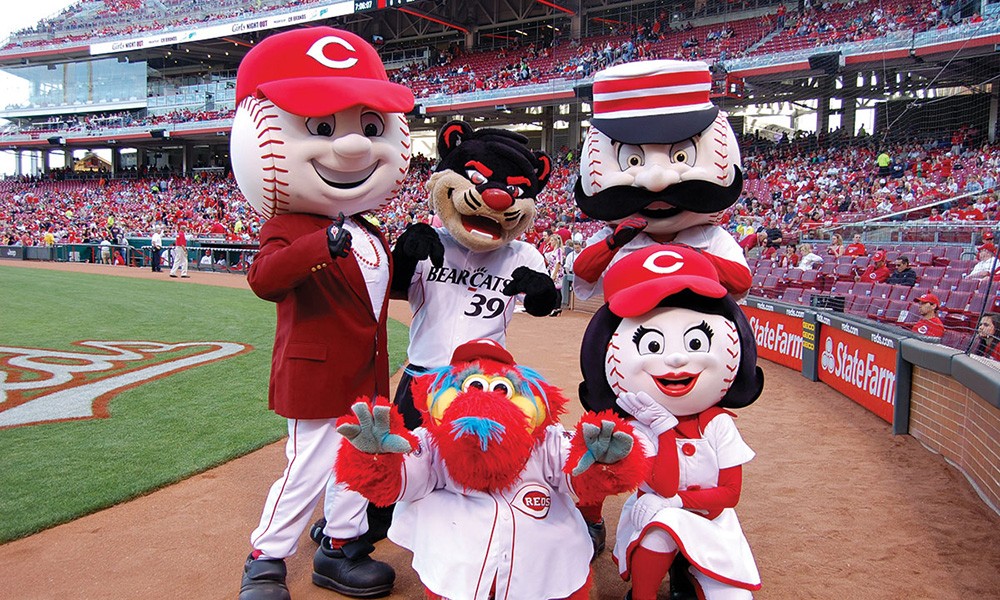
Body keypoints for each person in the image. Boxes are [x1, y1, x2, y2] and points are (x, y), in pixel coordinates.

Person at [229, 27, 414, 600]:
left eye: (368, 127)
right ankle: (266, 556)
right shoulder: (291, 228)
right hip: (315, 374)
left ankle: (340, 547)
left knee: (358, 463)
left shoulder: (370, 229)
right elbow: (264, 280)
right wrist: (318, 247)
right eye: (324, 128)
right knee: (307, 466)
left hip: (366, 377)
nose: (353, 147)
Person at [578, 244, 765, 600]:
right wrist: (663, 429)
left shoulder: (719, 424)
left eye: (695, 341)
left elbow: (729, 495)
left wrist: (679, 501)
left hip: (712, 521)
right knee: (661, 526)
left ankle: (691, 575)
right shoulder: (641, 424)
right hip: (655, 517)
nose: (677, 357)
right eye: (653, 344)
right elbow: (659, 488)